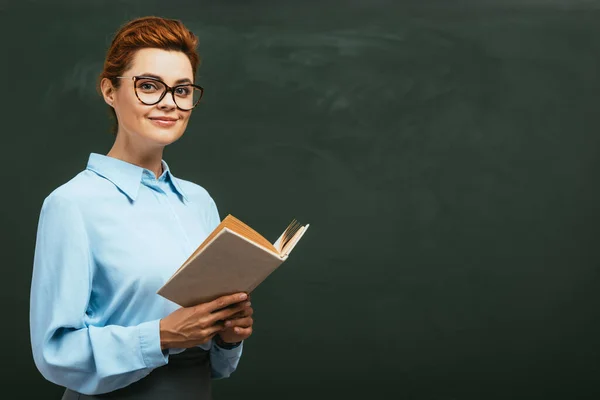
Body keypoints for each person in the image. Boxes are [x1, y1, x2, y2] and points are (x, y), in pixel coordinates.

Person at [29, 16, 254, 400]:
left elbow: (215, 366)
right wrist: (163, 335)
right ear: (109, 91)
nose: (169, 102)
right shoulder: (71, 204)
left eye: (182, 90)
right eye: (149, 86)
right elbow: (54, 353)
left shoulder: (199, 201)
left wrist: (227, 338)